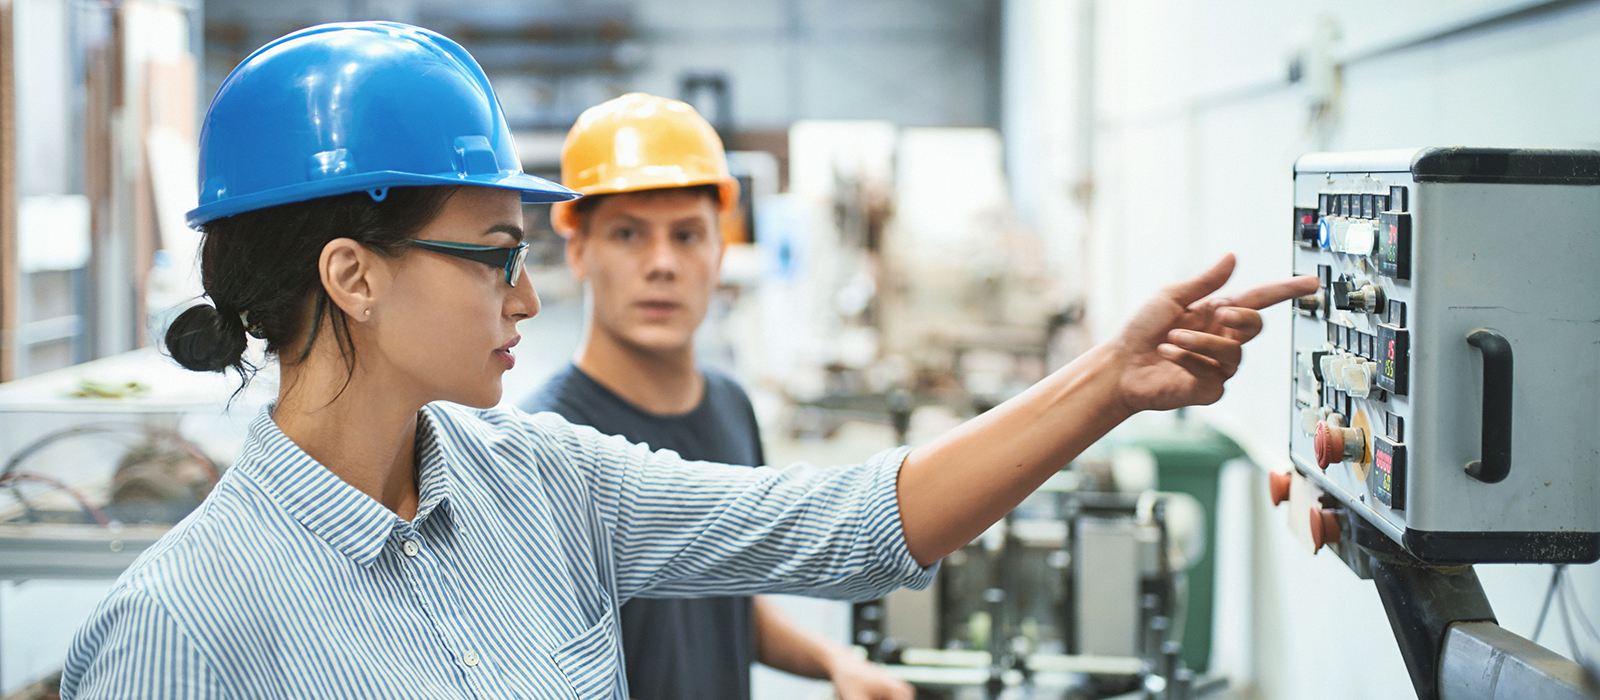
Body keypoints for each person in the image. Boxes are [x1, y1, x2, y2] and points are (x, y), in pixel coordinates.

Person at [59, 21, 1317, 700]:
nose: (527, 290)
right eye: (494, 253)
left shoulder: (538, 485)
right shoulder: (180, 632)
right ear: (353, 274)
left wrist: (1111, 377)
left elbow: (841, 526)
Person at [523, 93, 913, 700]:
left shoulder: (730, 407)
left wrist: (835, 661)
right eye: (628, 235)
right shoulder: (544, 445)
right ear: (578, 250)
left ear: (720, 252)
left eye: (686, 236)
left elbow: (727, 592)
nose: (662, 264)